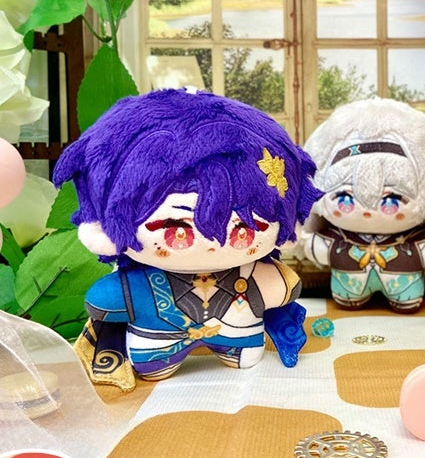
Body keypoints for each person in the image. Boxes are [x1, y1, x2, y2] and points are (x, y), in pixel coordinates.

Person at [53, 87, 321, 389]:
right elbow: (102, 299)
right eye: (176, 231)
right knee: (154, 364)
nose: (212, 244)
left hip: (239, 339)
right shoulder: (139, 283)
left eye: (242, 231)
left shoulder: (252, 273)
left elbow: (284, 287)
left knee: (245, 357)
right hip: (157, 345)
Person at [300, 98, 425, 312]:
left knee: (407, 299)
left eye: (391, 200)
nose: (367, 213)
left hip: (405, 286)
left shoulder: (413, 239)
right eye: (345, 199)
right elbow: (315, 246)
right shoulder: (339, 238)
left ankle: (404, 300)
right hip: (348, 288)